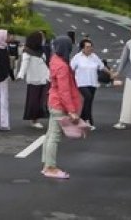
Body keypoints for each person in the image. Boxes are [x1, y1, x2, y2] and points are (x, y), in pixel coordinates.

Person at [41, 36, 82, 180]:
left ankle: (47, 165)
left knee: (50, 134)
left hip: (53, 101)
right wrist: (71, 110)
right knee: (55, 136)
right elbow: (64, 91)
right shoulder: (63, 66)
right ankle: (51, 167)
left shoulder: (54, 60)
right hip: (59, 104)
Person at [70, 38, 110, 130]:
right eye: (87, 47)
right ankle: (88, 121)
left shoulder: (94, 57)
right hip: (81, 83)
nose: (90, 48)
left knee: (89, 101)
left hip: (92, 83)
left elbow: (102, 67)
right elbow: (70, 69)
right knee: (87, 97)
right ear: (82, 48)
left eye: (91, 46)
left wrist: (111, 74)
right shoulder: (77, 57)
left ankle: (82, 119)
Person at [16, 31, 50, 129]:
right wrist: (20, 75)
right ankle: (34, 120)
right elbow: (24, 65)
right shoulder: (27, 52)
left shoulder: (41, 50)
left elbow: (45, 65)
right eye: (41, 38)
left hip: (44, 78)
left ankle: (38, 118)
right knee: (34, 101)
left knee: (42, 100)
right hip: (34, 80)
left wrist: (50, 76)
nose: (43, 40)